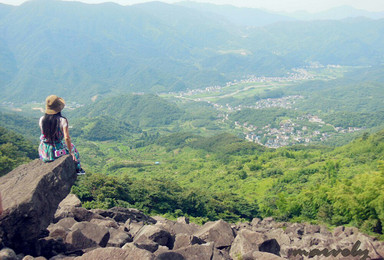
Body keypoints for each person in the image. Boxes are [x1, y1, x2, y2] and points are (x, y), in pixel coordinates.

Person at [38, 95, 85, 175]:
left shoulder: (42, 119)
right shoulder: (62, 120)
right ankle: (78, 169)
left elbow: (45, 135)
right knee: (73, 147)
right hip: (56, 151)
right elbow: (67, 138)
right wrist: (71, 153)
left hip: (44, 151)